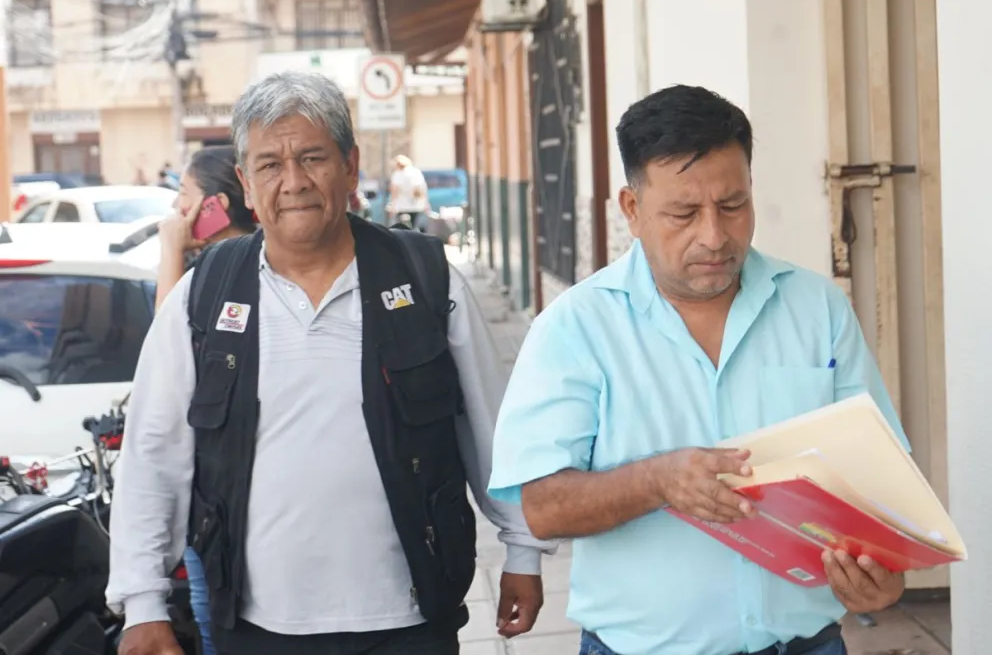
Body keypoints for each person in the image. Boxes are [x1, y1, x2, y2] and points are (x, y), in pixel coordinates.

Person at [108, 71, 553, 655]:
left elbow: (490, 427)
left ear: (349, 166)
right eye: (269, 164)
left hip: (411, 618)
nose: (292, 181)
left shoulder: (424, 277)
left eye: (312, 157)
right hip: (258, 626)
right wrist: (143, 601)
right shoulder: (204, 296)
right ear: (245, 182)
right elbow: (152, 454)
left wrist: (522, 548)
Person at [487, 85, 908, 655]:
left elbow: (881, 477)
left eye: (732, 206)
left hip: (809, 644)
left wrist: (883, 570)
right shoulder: (574, 329)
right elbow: (543, 506)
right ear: (632, 210)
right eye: (683, 213)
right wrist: (657, 481)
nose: (713, 235)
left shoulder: (817, 309)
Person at [153, 145, 256, 655]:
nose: (176, 210)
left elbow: (163, 359)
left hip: (217, 504)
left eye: (185, 196)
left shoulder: (216, 275)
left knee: (216, 625)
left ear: (213, 206)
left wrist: (170, 249)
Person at [156, 145, 256, 309]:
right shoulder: (260, 252)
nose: (175, 204)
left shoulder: (220, 270)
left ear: (217, 203)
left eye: (183, 193)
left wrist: (171, 249)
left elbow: (166, 330)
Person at [388, 154, 429, 231]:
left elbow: (394, 190)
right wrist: (425, 203)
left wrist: (392, 205)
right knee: (415, 226)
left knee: (401, 228)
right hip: (416, 205)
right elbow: (422, 189)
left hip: (401, 206)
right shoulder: (416, 172)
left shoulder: (397, 174)